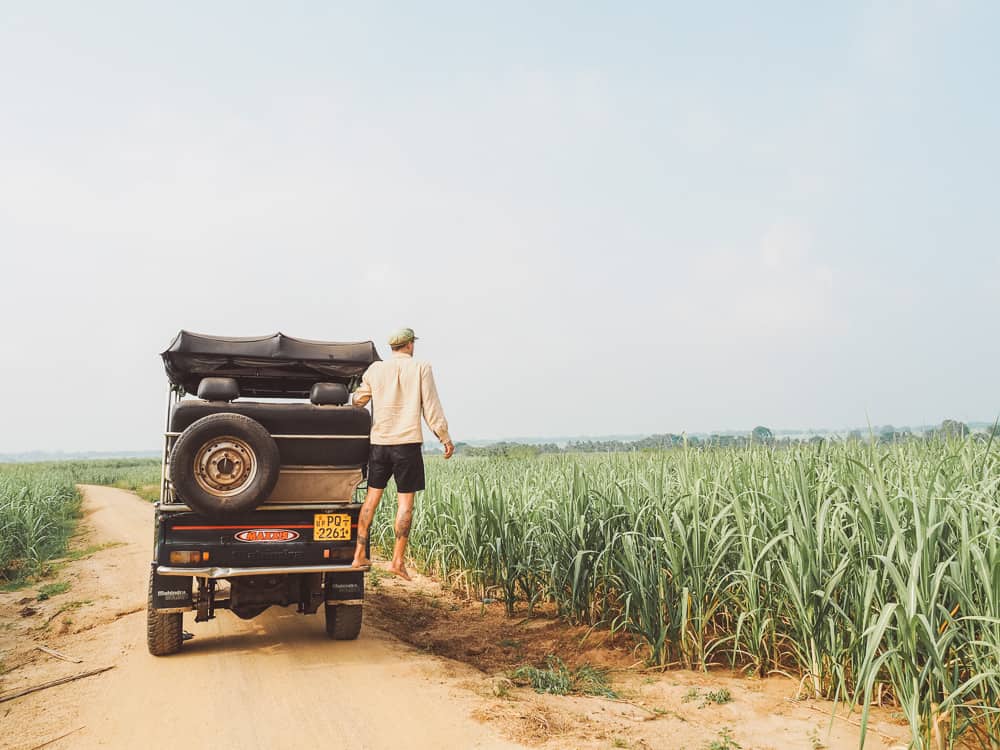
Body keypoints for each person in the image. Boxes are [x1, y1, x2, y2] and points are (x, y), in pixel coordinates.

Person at [350, 327, 454, 580]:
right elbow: (431, 406)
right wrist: (444, 437)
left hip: (379, 444)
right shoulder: (421, 367)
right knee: (405, 504)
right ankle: (397, 561)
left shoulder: (375, 369)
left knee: (371, 500)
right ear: (409, 345)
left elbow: (358, 401)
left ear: (393, 347)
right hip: (407, 445)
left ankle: (359, 555)